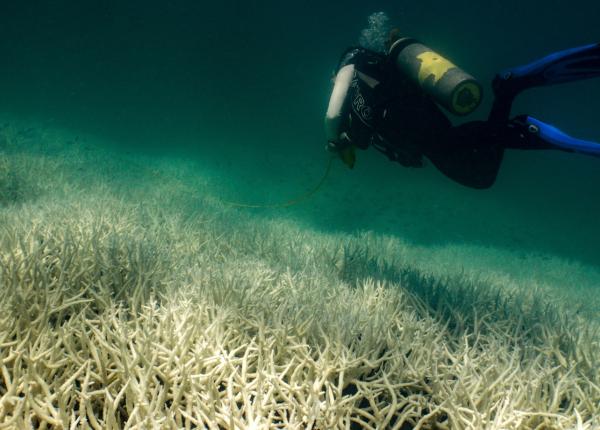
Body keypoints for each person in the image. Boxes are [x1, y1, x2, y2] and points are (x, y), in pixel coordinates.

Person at [324, 30, 600, 189]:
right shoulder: (379, 66)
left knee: (475, 171)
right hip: (423, 120)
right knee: (479, 174)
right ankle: (509, 93)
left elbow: (332, 115)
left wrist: (334, 139)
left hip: (414, 128)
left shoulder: (350, 65)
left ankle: (513, 103)